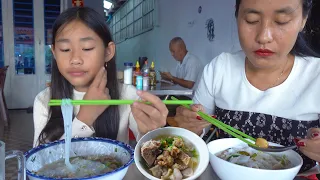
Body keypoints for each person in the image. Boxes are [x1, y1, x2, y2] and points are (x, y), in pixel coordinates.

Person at [174, 0, 320, 176]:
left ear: (303, 20)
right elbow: (192, 139)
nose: (264, 36)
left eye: (282, 20)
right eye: (251, 20)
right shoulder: (220, 68)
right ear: (237, 16)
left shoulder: (316, 75)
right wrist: (189, 127)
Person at [33, 7, 167, 147]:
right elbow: (39, 163)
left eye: (87, 48)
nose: (75, 59)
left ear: (108, 52)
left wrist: (153, 133)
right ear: (54, 52)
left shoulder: (127, 95)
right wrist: (84, 119)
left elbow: (150, 147)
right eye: (65, 49)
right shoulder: (44, 101)